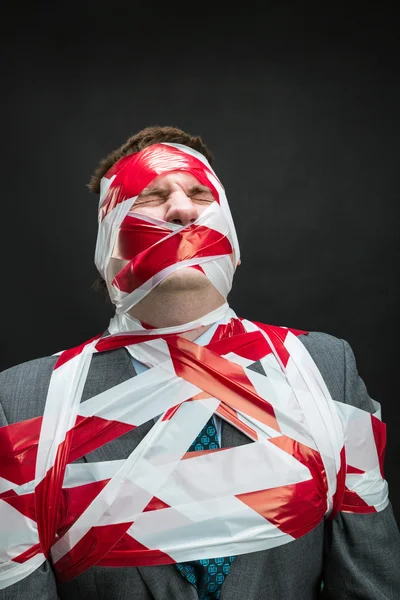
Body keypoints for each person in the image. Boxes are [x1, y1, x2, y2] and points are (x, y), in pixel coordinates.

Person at [0, 125, 399, 600]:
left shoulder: (324, 370)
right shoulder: (24, 403)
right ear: (109, 237)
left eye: (198, 193)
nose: (183, 210)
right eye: (151, 195)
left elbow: (370, 585)